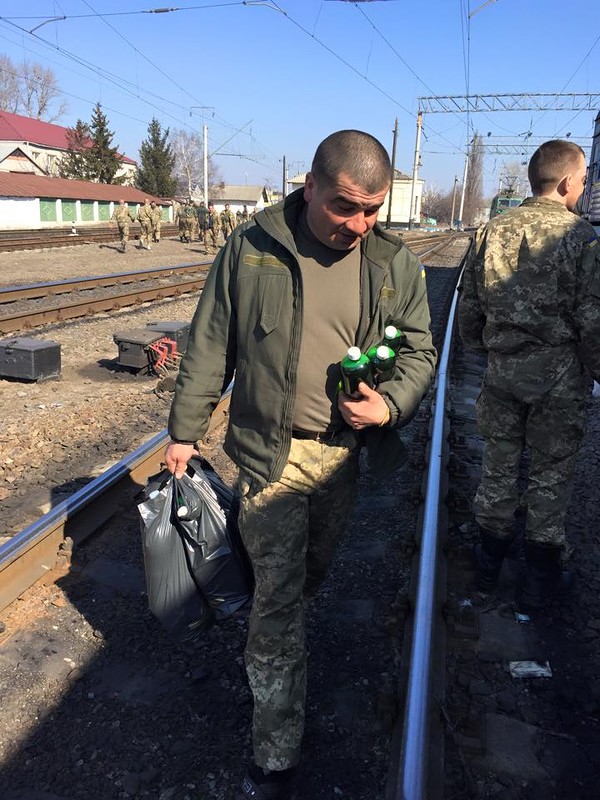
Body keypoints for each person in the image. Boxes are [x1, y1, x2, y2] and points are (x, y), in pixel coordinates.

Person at [165, 129, 436, 799]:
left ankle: (271, 644)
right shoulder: (251, 248)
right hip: (271, 454)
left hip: (342, 456)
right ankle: (276, 751)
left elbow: (419, 353)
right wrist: (185, 432)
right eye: (345, 206)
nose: (358, 224)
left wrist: (389, 406)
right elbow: (210, 344)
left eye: (372, 210)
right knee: (280, 602)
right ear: (309, 186)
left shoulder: (393, 262)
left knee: (306, 578)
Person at [458, 139, 600, 609]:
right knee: (550, 473)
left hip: (502, 372)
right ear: (566, 182)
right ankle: (541, 580)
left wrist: (487, 351)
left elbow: (469, 308)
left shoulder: (490, 231)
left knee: (498, 466)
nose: (582, 188)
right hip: (560, 379)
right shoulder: (582, 237)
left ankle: (487, 569)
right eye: (583, 180)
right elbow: (592, 319)